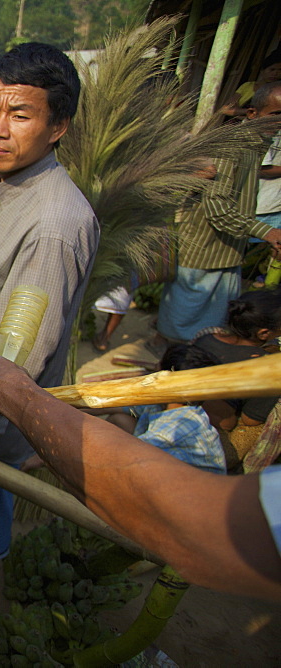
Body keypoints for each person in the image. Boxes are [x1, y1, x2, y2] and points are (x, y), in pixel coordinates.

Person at [0, 43, 99, 557]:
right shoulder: (5, 184)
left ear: (59, 127)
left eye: (20, 114)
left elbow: (13, 364)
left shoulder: (53, 224)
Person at [0, 353, 281, 601]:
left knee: (120, 524)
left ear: (167, 375)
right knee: (120, 418)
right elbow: (103, 406)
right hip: (168, 469)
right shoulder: (165, 402)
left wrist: (42, 438)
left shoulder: (184, 423)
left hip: (178, 485)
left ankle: (125, 559)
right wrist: (50, 409)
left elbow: (127, 476)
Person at [156, 85, 281, 345]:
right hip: (204, 247)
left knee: (205, 320)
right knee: (185, 321)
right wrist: (265, 231)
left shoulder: (255, 144)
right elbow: (218, 209)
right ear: (252, 113)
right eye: (276, 113)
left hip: (225, 248)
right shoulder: (233, 147)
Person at [104, 344, 226, 475]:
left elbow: (133, 455)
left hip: (191, 488)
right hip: (163, 461)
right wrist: (80, 409)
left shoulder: (177, 425)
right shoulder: (168, 401)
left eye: (159, 364)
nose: (155, 365)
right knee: (119, 419)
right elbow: (124, 406)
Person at [193, 288, 281, 462]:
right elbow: (250, 420)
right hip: (213, 434)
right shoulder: (263, 365)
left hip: (181, 412)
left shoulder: (206, 337)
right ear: (264, 333)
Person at [251, 81, 281, 238]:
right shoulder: (264, 133)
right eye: (276, 113)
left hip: (273, 206)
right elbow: (261, 168)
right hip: (264, 209)